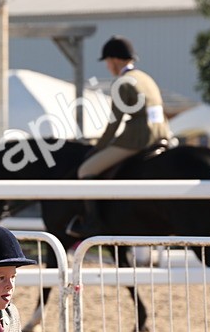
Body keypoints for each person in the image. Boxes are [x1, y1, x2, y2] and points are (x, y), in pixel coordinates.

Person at [68, 36, 173, 237]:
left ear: (115, 60)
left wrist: (97, 148)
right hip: (162, 135)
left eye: (107, 62)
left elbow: (114, 122)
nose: (107, 66)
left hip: (139, 140)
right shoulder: (145, 78)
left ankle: (92, 223)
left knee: (86, 170)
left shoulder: (122, 83)